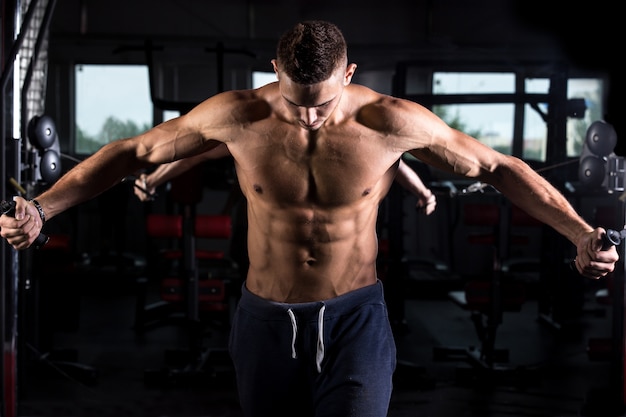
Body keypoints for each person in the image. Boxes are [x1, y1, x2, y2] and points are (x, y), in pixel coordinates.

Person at [0, 20, 617, 417]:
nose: (308, 119)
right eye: (296, 104)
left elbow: (496, 166)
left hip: (355, 320)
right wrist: (42, 207)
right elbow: (133, 152)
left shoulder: (390, 122)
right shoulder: (239, 115)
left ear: (348, 76)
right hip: (264, 320)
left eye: (321, 104)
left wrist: (581, 234)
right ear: (276, 75)